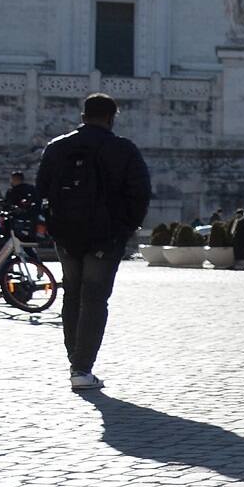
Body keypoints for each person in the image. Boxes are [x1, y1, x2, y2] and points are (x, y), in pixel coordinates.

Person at [35, 92, 152, 391]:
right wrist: (125, 228)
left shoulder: (57, 147)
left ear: (83, 115)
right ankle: (82, 368)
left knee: (72, 294)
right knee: (95, 298)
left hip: (66, 235)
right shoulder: (123, 149)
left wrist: (55, 226)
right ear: (112, 118)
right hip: (105, 236)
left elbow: (42, 190)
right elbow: (140, 193)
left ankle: (75, 361)